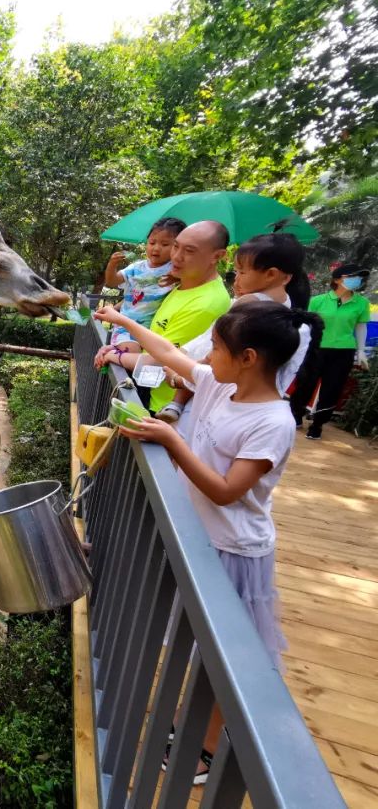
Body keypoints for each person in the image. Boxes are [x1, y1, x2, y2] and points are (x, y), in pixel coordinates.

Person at [94, 299, 324, 782]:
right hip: (202, 538)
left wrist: (173, 441)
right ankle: (194, 727)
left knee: (223, 658)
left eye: (217, 347)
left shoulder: (273, 423)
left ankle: (209, 748)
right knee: (198, 645)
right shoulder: (222, 386)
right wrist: (122, 322)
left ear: (248, 358)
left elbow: (225, 491)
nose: (206, 356)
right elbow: (168, 354)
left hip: (234, 551)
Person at [157, 232, 313, 424]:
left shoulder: (255, 313)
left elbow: (213, 358)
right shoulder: (287, 318)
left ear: (272, 275)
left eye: (242, 272)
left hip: (221, 407)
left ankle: (177, 404)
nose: (236, 280)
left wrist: (182, 377)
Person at [95, 220, 233, 414]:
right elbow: (153, 331)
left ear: (217, 256)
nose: (176, 256)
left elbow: (160, 361)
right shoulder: (181, 284)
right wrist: (119, 347)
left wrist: (115, 355)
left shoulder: (206, 304)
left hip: (159, 405)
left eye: (189, 251)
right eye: (176, 246)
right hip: (146, 386)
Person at [289, 263, 372, 440]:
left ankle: (318, 424)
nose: (357, 280)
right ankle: (296, 414)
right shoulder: (318, 301)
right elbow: (307, 325)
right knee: (306, 382)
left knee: (332, 388)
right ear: (337, 280)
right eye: (352, 277)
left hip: (344, 351)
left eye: (359, 277)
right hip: (316, 347)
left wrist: (361, 351)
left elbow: (361, 327)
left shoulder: (362, 303)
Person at [102, 217, 187, 349]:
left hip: (156, 329)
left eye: (165, 244)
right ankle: (112, 351)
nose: (156, 248)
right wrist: (112, 265)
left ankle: (111, 351)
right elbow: (111, 281)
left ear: (177, 247)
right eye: (152, 243)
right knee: (130, 352)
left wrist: (178, 278)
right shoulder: (136, 268)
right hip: (127, 327)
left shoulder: (176, 268)